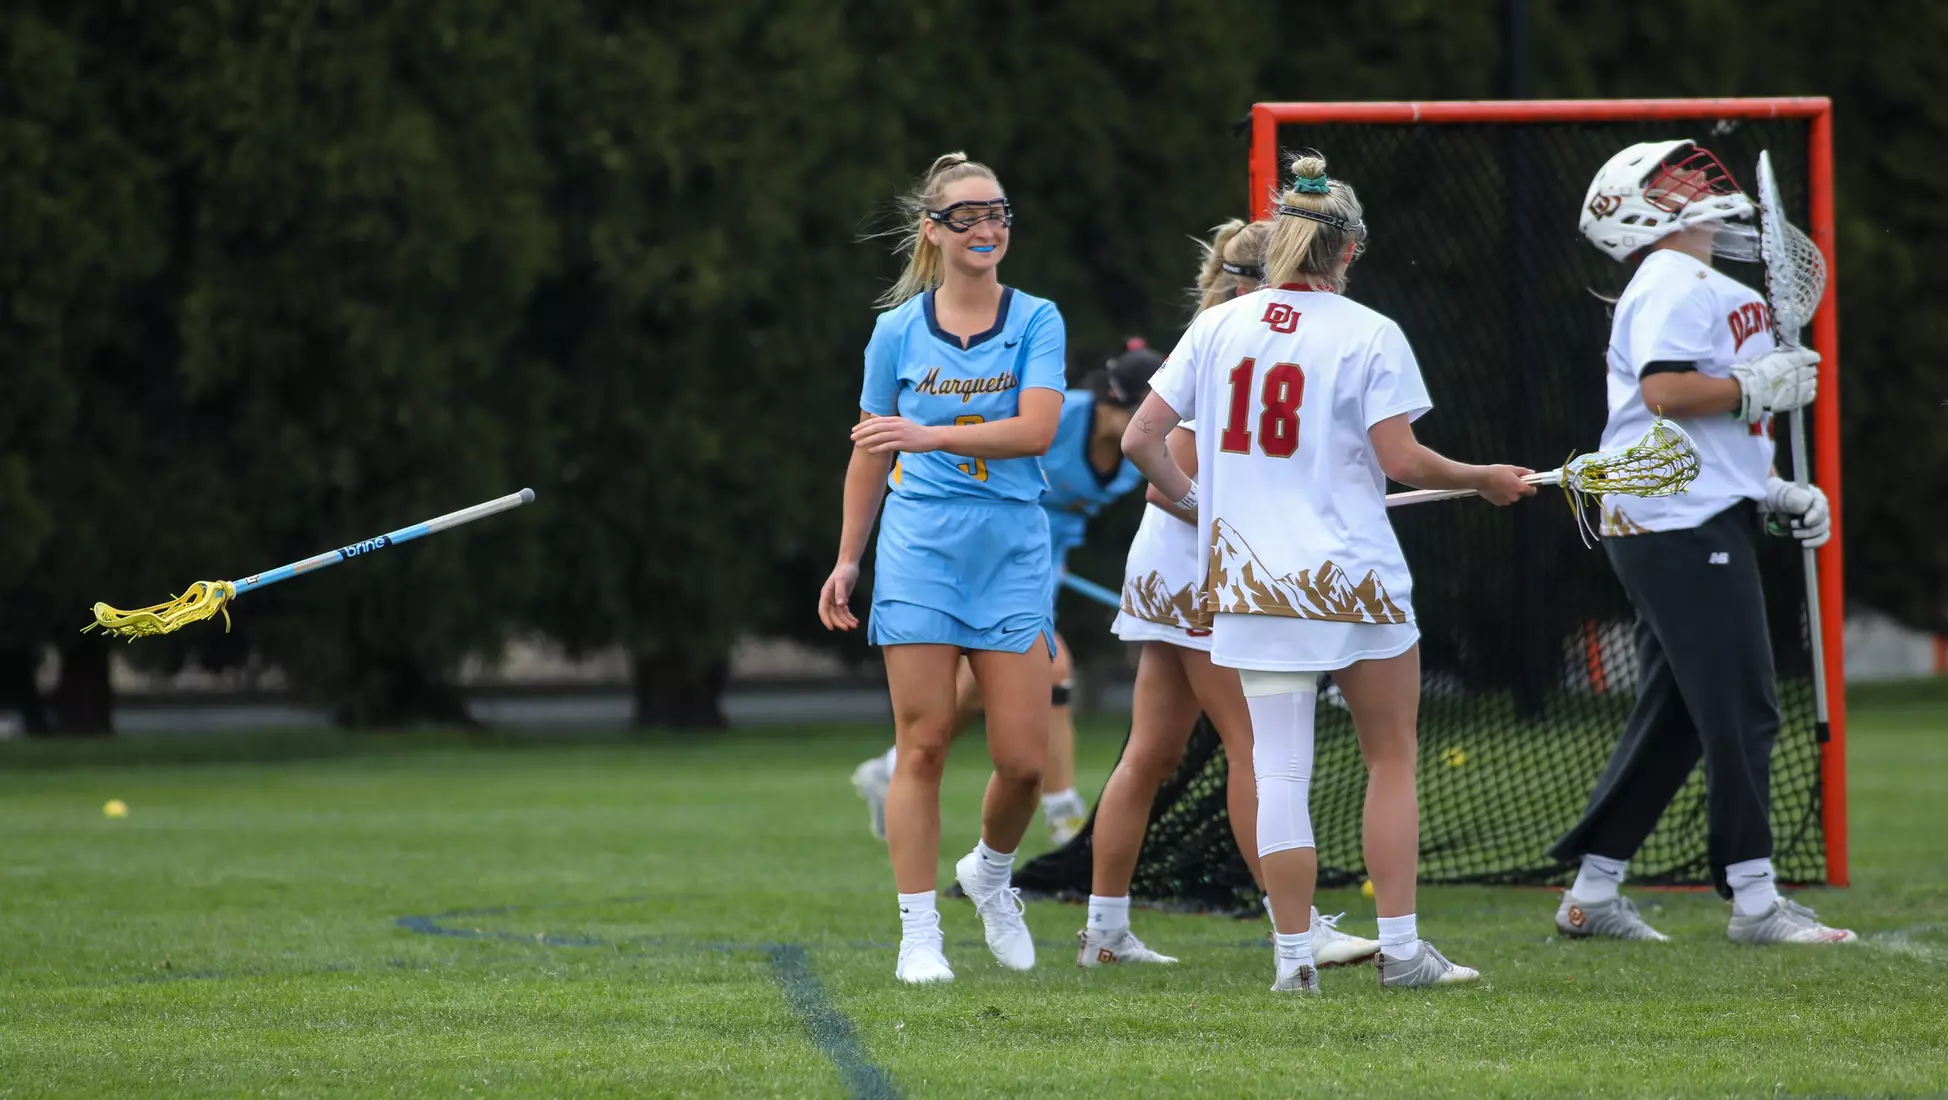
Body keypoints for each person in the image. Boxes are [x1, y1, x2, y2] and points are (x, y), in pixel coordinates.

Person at [1121, 153, 1533, 993]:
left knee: (1277, 770)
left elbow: (1139, 440)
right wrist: (1484, 479)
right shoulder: (1370, 332)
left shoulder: (1219, 326)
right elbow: (1402, 459)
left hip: (1252, 584)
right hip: (1356, 582)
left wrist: (1199, 505)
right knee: (1390, 758)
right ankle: (1405, 953)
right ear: (1349, 252)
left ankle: (1292, 959)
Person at [1548, 139, 1853, 946]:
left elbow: (1725, 425)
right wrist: (1755, 384)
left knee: (1683, 713)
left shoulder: (1711, 285)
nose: (1701, 183)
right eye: (1674, 179)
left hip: (1696, 510)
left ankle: (1593, 891)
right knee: (1744, 704)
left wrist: (1774, 487)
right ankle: (1754, 901)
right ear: (1636, 208)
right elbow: (1667, 391)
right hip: (1670, 518)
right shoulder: (1670, 283)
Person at [1079, 218, 1380, 970]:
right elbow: (1166, 472)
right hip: (1198, 567)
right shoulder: (1231, 335)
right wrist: (1215, 509)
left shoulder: (1229, 328)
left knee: (1152, 751)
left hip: (1176, 564)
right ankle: (1298, 924)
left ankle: (1105, 933)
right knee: (1255, 745)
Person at [819, 152, 1066, 984]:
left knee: (1025, 762)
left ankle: (991, 875)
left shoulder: (1036, 320)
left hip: (1008, 546)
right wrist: (848, 559)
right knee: (920, 744)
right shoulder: (895, 332)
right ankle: (917, 933)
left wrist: (927, 435)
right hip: (920, 545)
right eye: (968, 216)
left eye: (998, 213)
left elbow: (1035, 432)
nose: (988, 228)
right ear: (935, 230)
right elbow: (867, 453)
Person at [849, 342, 1160, 848]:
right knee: (1053, 666)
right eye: (1138, 412)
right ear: (1107, 401)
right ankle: (1064, 816)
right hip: (982, 549)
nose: (1148, 425)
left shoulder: (1139, 453)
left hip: (1038, 564)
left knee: (976, 685)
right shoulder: (1054, 421)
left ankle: (890, 767)